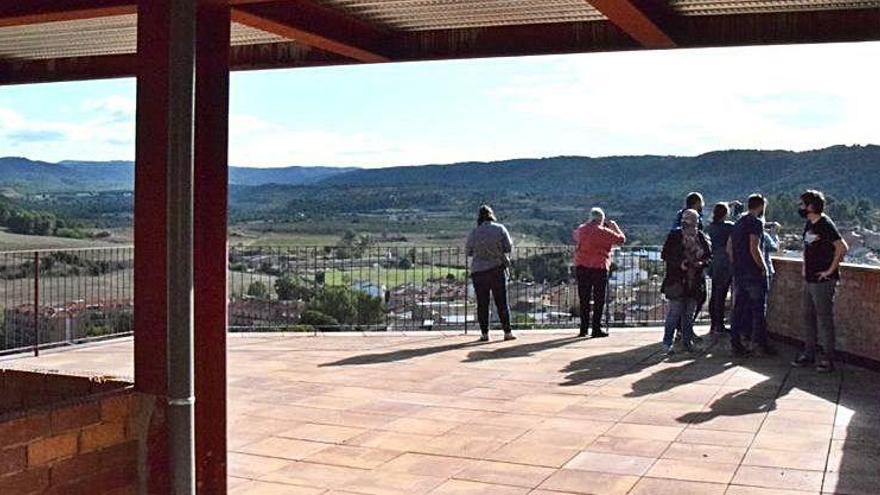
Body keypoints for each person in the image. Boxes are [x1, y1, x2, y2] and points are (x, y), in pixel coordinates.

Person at [792, 190, 848, 373]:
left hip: (823, 281)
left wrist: (830, 271)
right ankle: (809, 354)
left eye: (802, 204)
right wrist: (804, 267)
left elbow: (842, 247)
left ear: (811, 206)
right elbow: (807, 248)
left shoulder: (825, 224)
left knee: (824, 320)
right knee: (808, 317)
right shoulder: (809, 224)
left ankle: (828, 359)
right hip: (809, 279)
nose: (800, 207)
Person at [727, 194, 776, 357]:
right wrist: (763, 267)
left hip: (739, 271)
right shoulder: (755, 223)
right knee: (758, 310)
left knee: (738, 310)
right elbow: (754, 247)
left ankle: (736, 344)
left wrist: (736, 264)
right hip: (753, 273)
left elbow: (730, 248)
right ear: (761, 206)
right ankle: (759, 345)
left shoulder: (738, 223)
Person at [661, 209, 711, 355]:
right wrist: (680, 263)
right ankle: (667, 343)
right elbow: (666, 255)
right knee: (674, 313)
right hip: (677, 280)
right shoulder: (675, 235)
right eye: (690, 220)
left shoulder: (700, 236)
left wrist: (701, 264)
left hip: (694, 281)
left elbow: (708, 256)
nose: (693, 223)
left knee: (689, 314)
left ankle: (687, 342)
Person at [572, 207, 626, 338]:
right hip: (599, 267)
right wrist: (614, 227)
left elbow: (576, 237)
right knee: (598, 299)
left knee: (584, 298)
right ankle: (596, 328)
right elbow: (621, 240)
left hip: (582, 266)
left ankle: (583, 329)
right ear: (601, 219)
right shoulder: (604, 231)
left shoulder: (581, 229)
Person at [465, 205, 515, 342]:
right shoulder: (500, 229)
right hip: (496, 269)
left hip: (479, 271)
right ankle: (507, 332)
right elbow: (508, 247)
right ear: (491, 215)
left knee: (482, 303)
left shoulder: (474, 232)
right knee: (501, 302)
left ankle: (485, 334)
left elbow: (468, 251)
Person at [705, 203, 735, 341]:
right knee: (721, 294)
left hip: (714, 262)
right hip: (725, 262)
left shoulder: (710, 227)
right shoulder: (728, 227)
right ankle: (719, 325)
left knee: (715, 294)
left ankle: (713, 324)